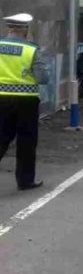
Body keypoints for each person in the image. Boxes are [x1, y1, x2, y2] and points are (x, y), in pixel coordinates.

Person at [0, 13, 48, 190]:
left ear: (9, 28)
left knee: (1, 138)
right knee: (26, 141)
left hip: (1, 99)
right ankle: (25, 181)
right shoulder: (31, 49)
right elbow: (42, 78)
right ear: (25, 29)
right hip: (26, 102)